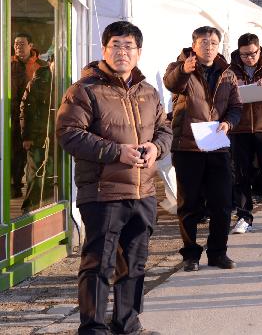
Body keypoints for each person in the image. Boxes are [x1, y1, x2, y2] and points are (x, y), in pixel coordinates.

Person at [57, 21, 172, 335]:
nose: (122, 52)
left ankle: (127, 323)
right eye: (116, 45)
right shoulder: (84, 90)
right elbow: (69, 135)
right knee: (99, 263)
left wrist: (155, 147)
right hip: (103, 192)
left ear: (139, 52)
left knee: (135, 263)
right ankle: (92, 328)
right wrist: (115, 152)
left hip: (144, 191)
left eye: (129, 46)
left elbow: (165, 130)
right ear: (104, 49)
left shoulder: (148, 92)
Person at [164, 26, 242, 272]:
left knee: (222, 203)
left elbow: (235, 106)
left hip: (216, 146)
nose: (209, 47)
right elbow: (171, 84)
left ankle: (218, 252)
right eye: (204, 43)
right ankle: (190, 255)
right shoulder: (179, 67)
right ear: (194, 45)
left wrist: (229, 122)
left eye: (214, 43)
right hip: (187, 146)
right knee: (189, 204)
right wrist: (183, 71)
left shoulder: (227, 74)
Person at [226, 33, 262, 234]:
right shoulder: (230, 69)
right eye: (244, 55)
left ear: (260, 50)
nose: (249, 58)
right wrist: (235, 87)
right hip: (239, 128)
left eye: (252, 54)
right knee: (241, 174)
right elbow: (222, 91)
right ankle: (244, 216)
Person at [11, 33, 48, 198]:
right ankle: (15, 186)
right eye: (16, 43)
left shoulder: (42, 66)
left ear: (31, 45)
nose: (18, 46)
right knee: (15, 152)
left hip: (35, 115)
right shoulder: (8, 65)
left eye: (21, 43)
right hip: (12, 114)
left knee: (35, 153)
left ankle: (36, 192)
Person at [19, 54, 54, 213]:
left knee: (50, 176)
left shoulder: (66, 80)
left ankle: (45, 213)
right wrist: (26, 136)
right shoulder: (39, 80)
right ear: (51, 62)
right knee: (35, 177)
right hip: (38, 136)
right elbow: (25, 109)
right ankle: (28, 212)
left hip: (56, 137)